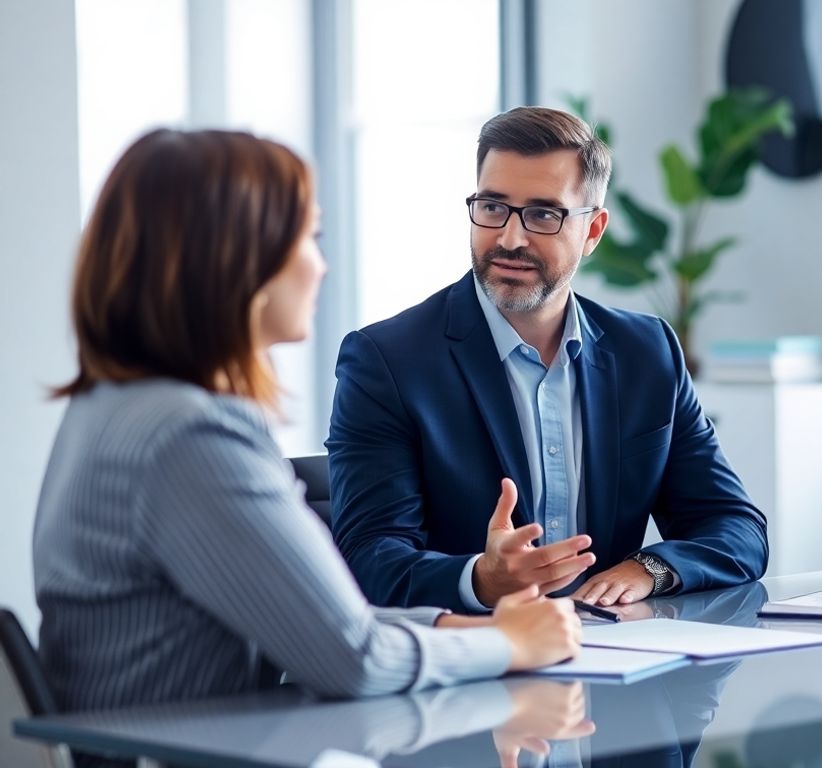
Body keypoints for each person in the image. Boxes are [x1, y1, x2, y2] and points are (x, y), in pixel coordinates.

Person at [33, 130, 580, 728]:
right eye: (307, 237)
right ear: (237, 257)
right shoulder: (191, 437)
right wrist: (508, 645)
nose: (320, 263)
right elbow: (355, 659)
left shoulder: (118, 404)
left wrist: (467, 628)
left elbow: (325, 621)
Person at [327, 106, 768, 612]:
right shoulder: (388, 361)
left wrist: (648, 570)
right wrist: (481, 580)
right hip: (472, 664)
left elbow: (736, 528)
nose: (510, 238)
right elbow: (367, 556)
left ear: (593, 231)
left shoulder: (647, 353)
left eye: (543, 214)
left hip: (618, 660)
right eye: (492, 207)